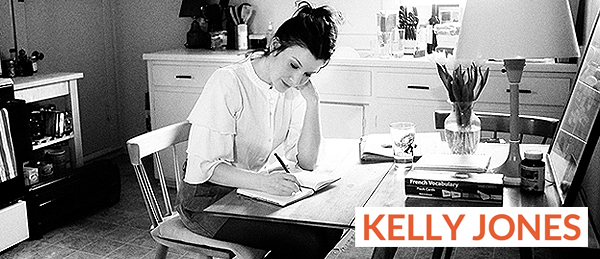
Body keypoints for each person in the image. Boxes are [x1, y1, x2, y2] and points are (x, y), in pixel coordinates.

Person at [176, 2, 344, 258]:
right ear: (275, 45)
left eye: (309, 74)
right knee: (306, 243)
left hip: (245, 194)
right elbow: (206, 168)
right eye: (294, 65)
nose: (297, 80)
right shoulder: (229, 82)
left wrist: (313, 102)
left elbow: (307, 162)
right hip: (205, 202)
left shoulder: (292, 91)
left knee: (330, 229)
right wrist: (264, 183)